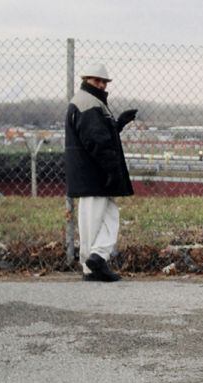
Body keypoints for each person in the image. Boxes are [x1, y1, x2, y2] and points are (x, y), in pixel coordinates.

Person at [64, 63, 138, 282]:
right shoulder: (89, 103)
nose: (102, 84)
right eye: (97, 80)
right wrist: (111, 170)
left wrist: (118, 125)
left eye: (104, 81)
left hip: (89, 172)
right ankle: (93, 262)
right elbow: (98, 141)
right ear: (86, 80)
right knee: (95, 219)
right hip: (93, 173)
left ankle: (96, 259)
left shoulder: (87, 101)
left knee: (102, 217)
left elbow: (98, 135)